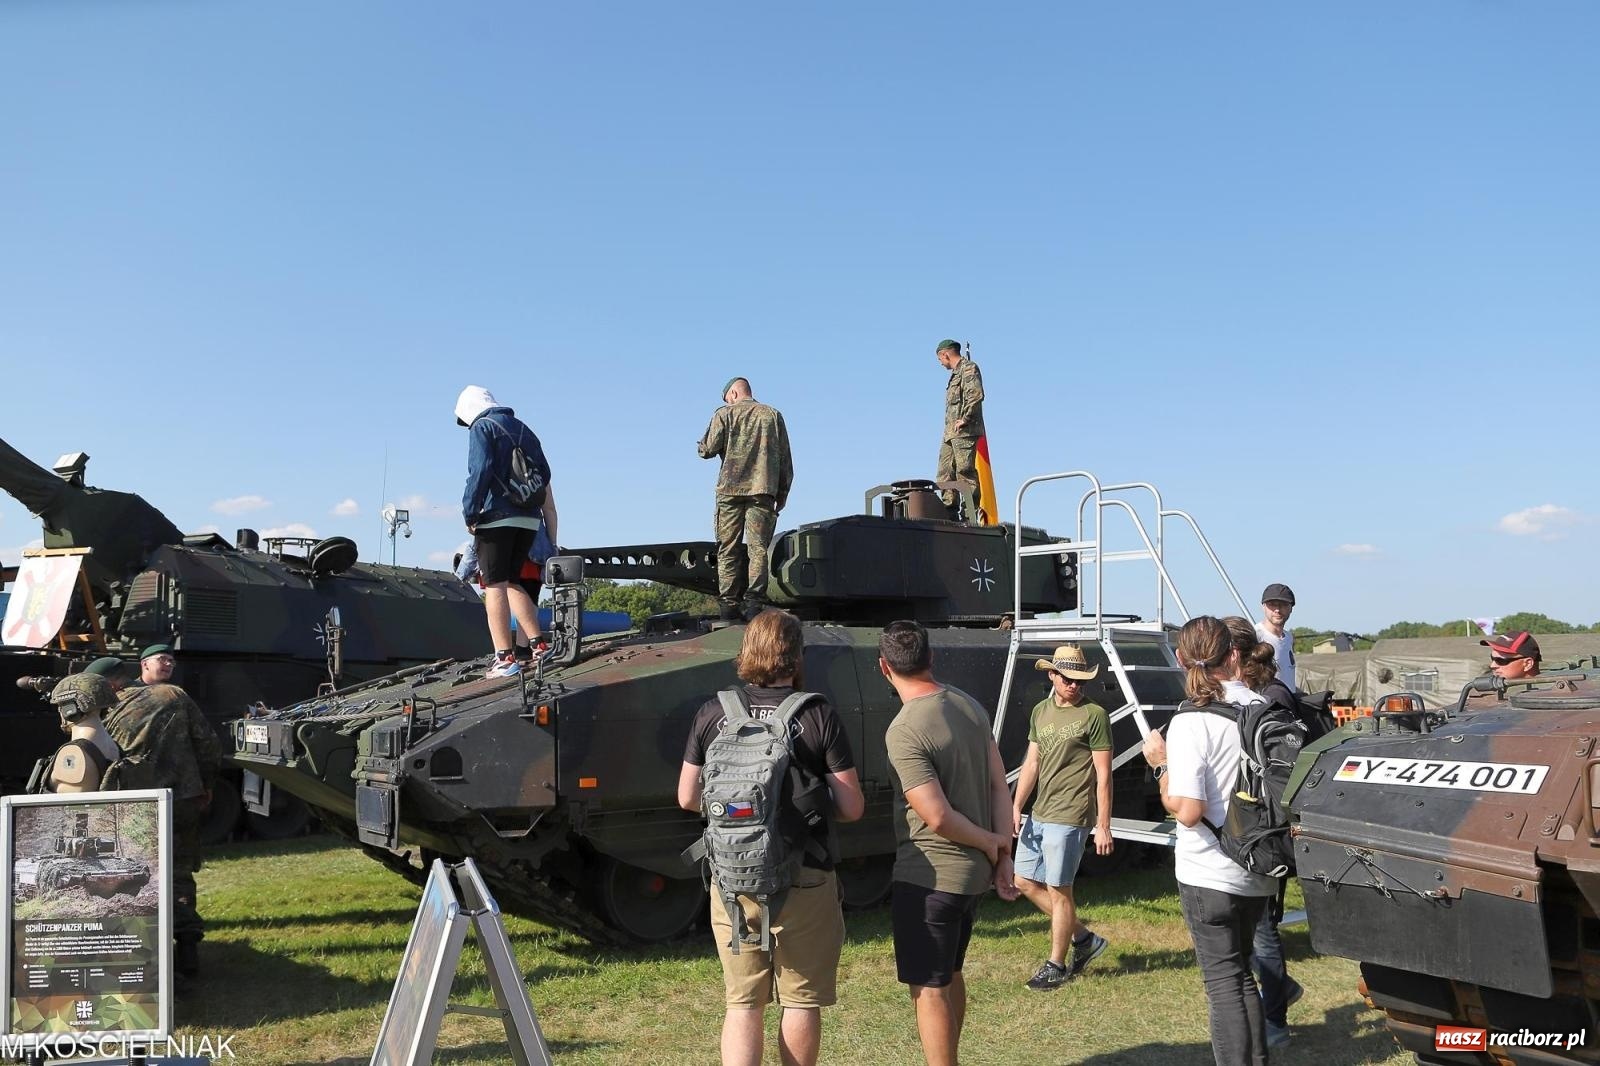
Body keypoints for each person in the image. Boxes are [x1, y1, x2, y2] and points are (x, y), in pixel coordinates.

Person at [677, 609, 864, 1066]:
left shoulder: (713, 712)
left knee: (743, 1004)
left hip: (733, 878)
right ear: (796, 656)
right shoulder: (816, 714)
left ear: (746, 653)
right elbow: (852, 807)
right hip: (805, 875)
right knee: (800, 1001)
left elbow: (686, 797)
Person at [880, 619, 1017, 1066]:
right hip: (969, 879)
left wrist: (993, 843)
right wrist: (1000, 852)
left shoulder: (904, 729)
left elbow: (936, 816)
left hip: (930, 878)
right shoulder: (968, 705)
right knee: (950, 974)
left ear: (884, 667)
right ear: (931, 658)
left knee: (929, 987)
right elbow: (1000, 785)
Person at [1142, 616, 1277, 1066]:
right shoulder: (1259, 706)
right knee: (1242, 979)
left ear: (1180, 659)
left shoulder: (1190, 720)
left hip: (1207, 869)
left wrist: (1160, 765)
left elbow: (1187, 809)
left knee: (1223, 983)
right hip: (1257, 863)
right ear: (1233, 655)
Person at [102, 653, 220, 979]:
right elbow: (208, 743)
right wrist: (206, 784)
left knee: (132, 871)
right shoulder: (174, 695)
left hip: (131, 803)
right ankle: (187, 950)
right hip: (180, 798)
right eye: (160, 660)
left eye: (170, 660)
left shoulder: (106, 705)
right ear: (139, 666)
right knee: (179, 872)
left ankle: (139, 955)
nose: (167, 665)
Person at [1010, 643, 1112, 991]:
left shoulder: (1094, 715)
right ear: (1052, 675)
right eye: (1069, 679)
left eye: (1081, 682)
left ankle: (1056, 965)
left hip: (1071, 814)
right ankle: (1084, 939)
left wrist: (1103, 825)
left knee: (1059, 890)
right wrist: (1016, 805)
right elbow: (1032, 762)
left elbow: (1104, 774)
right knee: (1023, 881)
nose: (1075, 686)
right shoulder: (1040, 711)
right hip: (1040, 813)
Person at [1228, 617, 1303, 1050]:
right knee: (1255, 927)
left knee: (1263, 929)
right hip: (1260, 827)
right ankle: (1280, 993)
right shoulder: (1269, 697)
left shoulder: (1270, 700)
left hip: (1267, 831)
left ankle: (1275, 1017)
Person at [456, 385, 552, 677]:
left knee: (494, 584)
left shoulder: (482, 427)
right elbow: (545, 473)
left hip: (496, 516)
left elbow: (480, 469)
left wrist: (470, 511)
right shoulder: (524, 428)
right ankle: (539, 647)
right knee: (512, 581)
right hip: (528, 519)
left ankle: (504, 658)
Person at [697, 377, 793, 622]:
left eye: (727, 398)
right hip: (763, 490)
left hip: (729, 491)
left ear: (733, 393)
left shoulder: (724, 415)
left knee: (728, 549)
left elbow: (706, 450)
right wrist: (782, 492)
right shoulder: (772, 415)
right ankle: (754, 605)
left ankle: (728, 606)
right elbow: (785, 458)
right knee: (758, 549)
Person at [454, 486, 560, 661]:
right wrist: (552, 545)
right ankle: (526, 647)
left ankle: (505, 654)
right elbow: (549, 509)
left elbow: (477, 489)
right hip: (532, 533)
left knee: (498, 588)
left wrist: (471, 517)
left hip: (496, 531)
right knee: (529, 590)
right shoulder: (533, 462)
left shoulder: (495, 461)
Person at [42, 673, 121, 793]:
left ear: (70, 709)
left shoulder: (75, 752)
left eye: (60, 706)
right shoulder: (112, 745)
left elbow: (68, 808)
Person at [933, 340, 984, 514]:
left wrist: (965, 418)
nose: (940, 363)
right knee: (945, 472)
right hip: (950, 433)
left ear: (945, 355)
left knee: (964, 471)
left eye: (940, 359)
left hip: (965, 431)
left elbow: (975, 395)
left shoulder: (968, 368)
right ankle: (950, 510)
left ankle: (969, 512)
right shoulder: (955, 374)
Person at [1254, 584, 1296, 689]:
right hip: (1267, 703)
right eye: (1272, 604)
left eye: (1283, 604)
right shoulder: (1255, 636)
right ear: (1263, 607)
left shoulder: (1289, 638)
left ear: (1291, 608)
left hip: (1288, 701)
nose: (1277, 609)